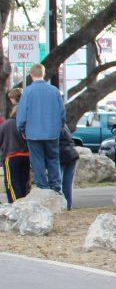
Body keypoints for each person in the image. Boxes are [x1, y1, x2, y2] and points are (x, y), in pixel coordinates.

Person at [16, 63, 66, 193]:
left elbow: (21, 115)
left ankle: (42, 187)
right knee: (53, 159)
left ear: (31, 75)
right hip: (52, 132)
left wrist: (22, 129)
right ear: (43, 74)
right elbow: (62, 113)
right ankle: (56, 187)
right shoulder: (54, 91)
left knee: (37, 161)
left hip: (33, 133)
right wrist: (59, 128)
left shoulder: (27, 91)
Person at [1, 89, 30, 202]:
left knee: (11, 183)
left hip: (11, 156)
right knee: (24, 182)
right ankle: (24, 202)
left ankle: (15, 204)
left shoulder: (7, 124)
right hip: (26, 155)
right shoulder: (28, 123)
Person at [57, 124, 78, 209]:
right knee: (67, 184)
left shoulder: (53, 126)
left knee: (59, 183)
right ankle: (68, 206)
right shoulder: (64, 125)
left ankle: (62, 205)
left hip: (62, 154)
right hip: (72, 154)